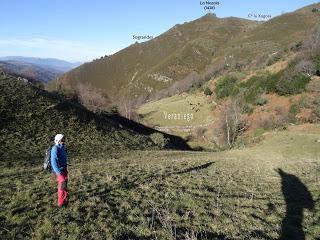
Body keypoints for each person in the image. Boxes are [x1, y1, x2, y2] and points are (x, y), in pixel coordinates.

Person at [51, 134, 68, 207]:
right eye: (62, 139)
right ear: (58, 140)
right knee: (62, 184)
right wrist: (58, 172)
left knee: (64, 185)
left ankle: (64, 198)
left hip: (64, 169)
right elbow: (53, 162)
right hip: (59, 170)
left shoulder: (62, 147)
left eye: (64, 139)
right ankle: (60, 203)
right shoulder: (55, 148)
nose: (63, 141)